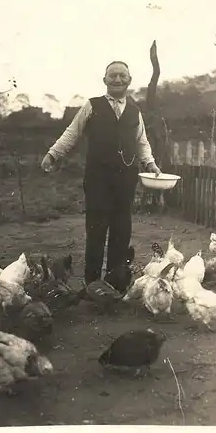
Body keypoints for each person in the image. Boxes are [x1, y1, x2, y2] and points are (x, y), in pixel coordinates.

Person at [40, 61, 161, 285]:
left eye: (122, 76)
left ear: (129, 81)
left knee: (121, 230)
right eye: (112, 75)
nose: (117, 79)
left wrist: (150, 164)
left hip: (126, 178)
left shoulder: (135, 111)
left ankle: (114, 282)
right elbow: (72, 133)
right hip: (98, 178)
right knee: (96, 229)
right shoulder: (92, 105)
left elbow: (142, 142)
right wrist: (52, 154)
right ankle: (93, 283)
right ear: (104, 80)